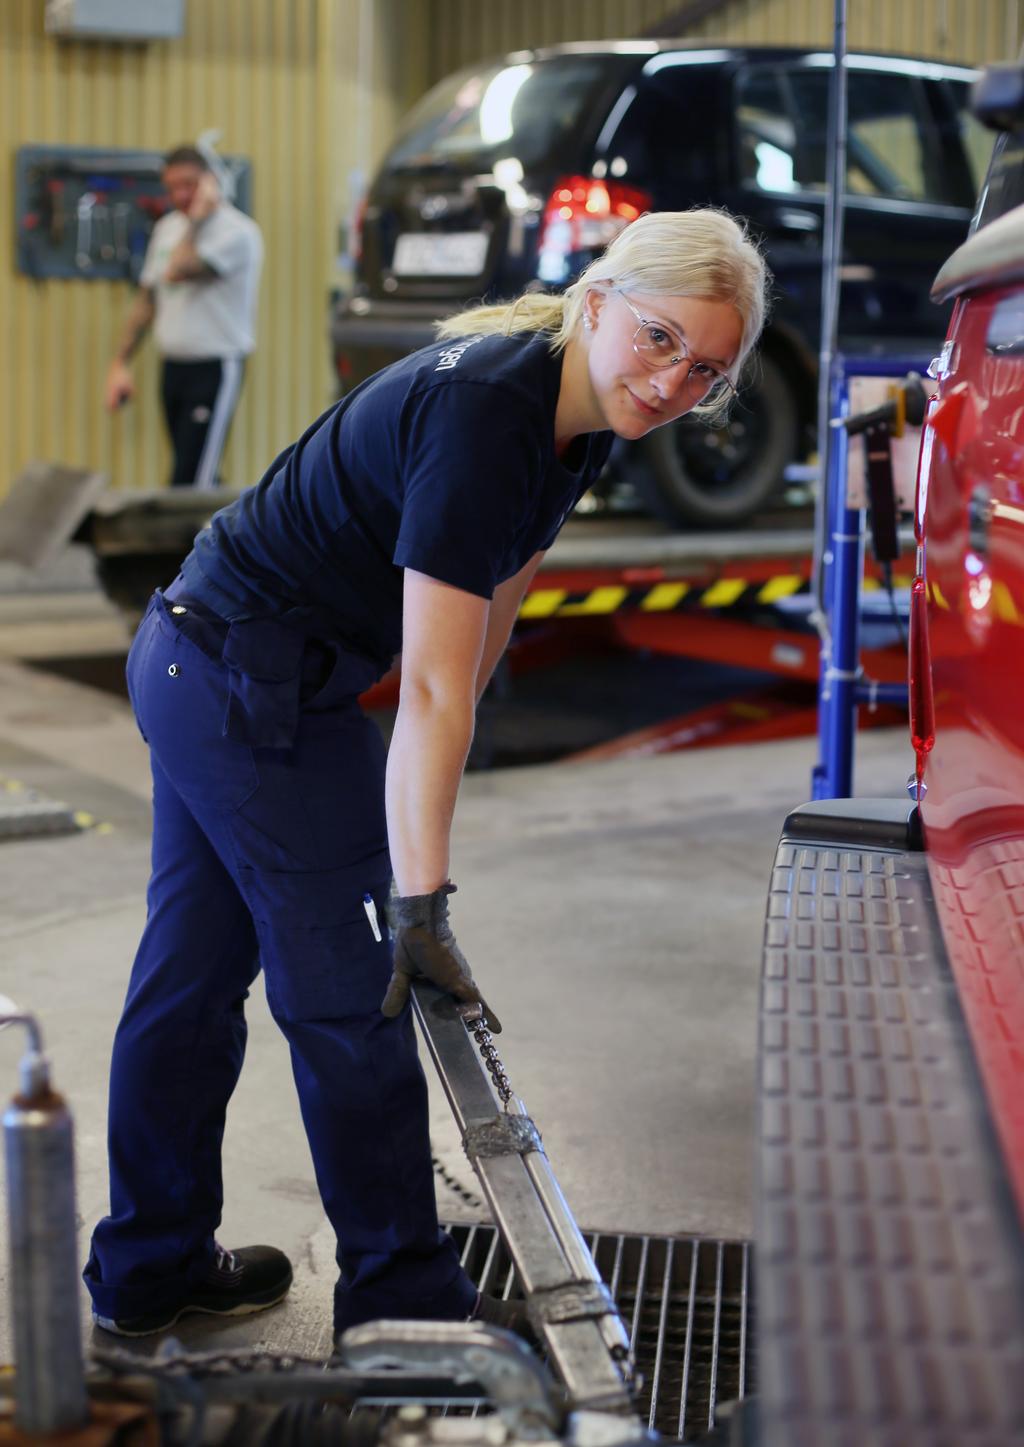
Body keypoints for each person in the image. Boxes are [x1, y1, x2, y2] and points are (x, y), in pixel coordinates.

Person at [84, 208, 769, 1346]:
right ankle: (402, 1296)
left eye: (705, 370)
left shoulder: (580, 414)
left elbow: (483, 622)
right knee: (356, 993)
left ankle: (148, 1266)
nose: (674, 383)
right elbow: (434, 694)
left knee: (195, 972)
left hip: (205, 660)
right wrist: (417, 903)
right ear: (597, 300)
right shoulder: (488, 413)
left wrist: (420, 807)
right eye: (660, 341)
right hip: (244, 685)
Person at [103, 145, 263, 490]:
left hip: (215, 365)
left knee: (191, 480)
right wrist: (121, 363)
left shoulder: (236, 233)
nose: (180, 195)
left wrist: (196, 222)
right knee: (191, 469)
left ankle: (190, 545)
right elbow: (149, 297)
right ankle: (222, 540)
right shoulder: (166, 228)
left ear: (211, 182)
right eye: (172, 186)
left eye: (189, 184)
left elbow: (177, 270)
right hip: (174, 365)